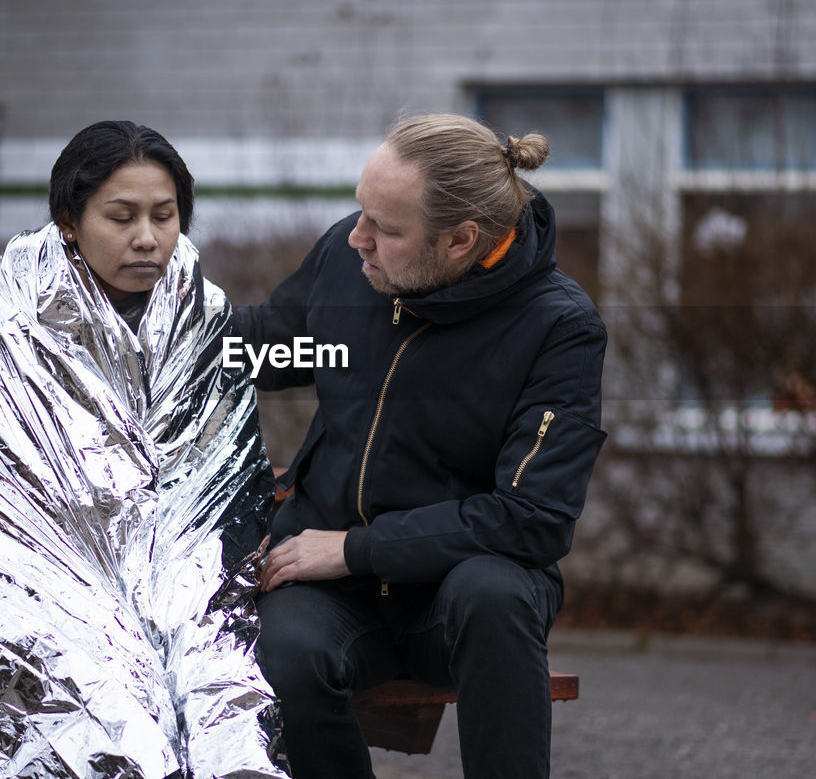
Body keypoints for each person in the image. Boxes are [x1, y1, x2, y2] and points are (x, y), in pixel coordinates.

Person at [0, 120, 289, 778]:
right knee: (112, 725)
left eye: (164, 216)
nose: (147, 237)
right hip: (33, 583)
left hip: (187, 587)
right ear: (70, 222)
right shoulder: (7, 325)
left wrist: (174, 586)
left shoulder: (203, 317)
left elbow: (222, 486)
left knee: (227, 710)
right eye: (122, 216)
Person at [233, 113, 607, 778]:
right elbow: (258, 349)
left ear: (462, 239)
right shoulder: (350, 265)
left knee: (494, 593)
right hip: (333, 593)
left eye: (386, 228)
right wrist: (125, 314)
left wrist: (353, 548)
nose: (357, 237)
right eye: (360, 211)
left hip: (452, 599)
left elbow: (531, 518)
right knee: (281, 649)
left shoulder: (558, 327)